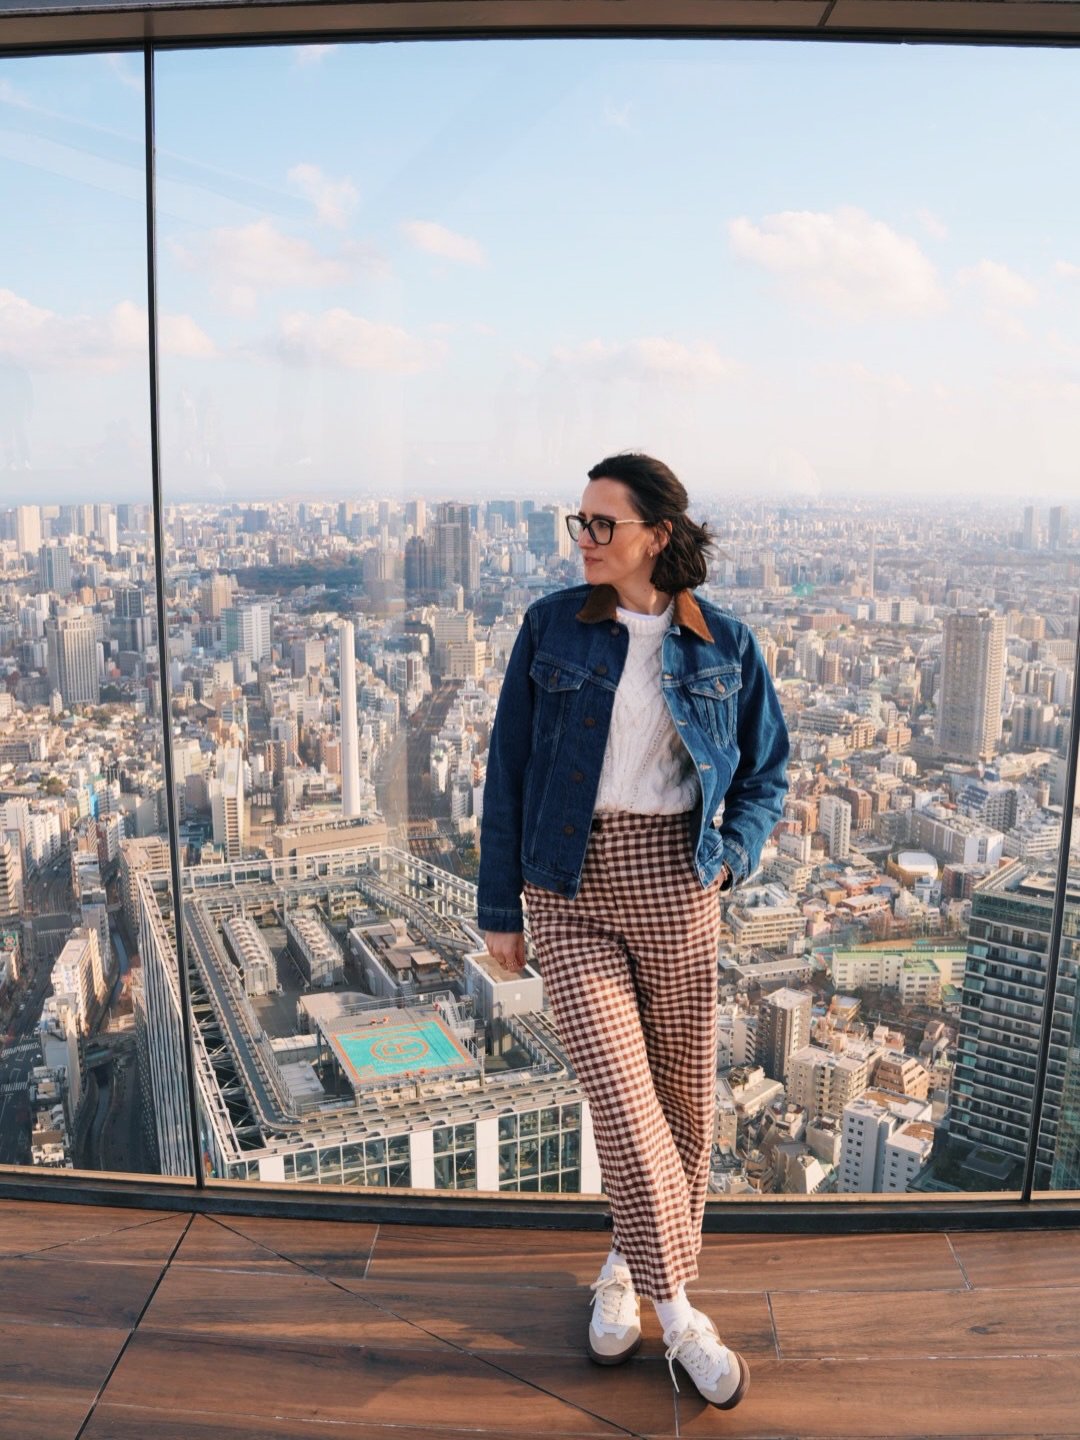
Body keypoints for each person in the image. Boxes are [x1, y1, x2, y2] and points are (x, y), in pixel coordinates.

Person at [477, 453, 788, 1409]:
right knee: (620, 1094)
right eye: (578, 522)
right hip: (569, 883)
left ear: (658, 532)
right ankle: (681, 1314)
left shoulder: (724, 644)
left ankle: (623, 1262)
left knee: (683, 1102)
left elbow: (768, 774)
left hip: (675, 883)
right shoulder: (549, 628)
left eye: (602, 525)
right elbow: (508, 772)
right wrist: (500, 909)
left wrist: (729, 855)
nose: (584, 539)